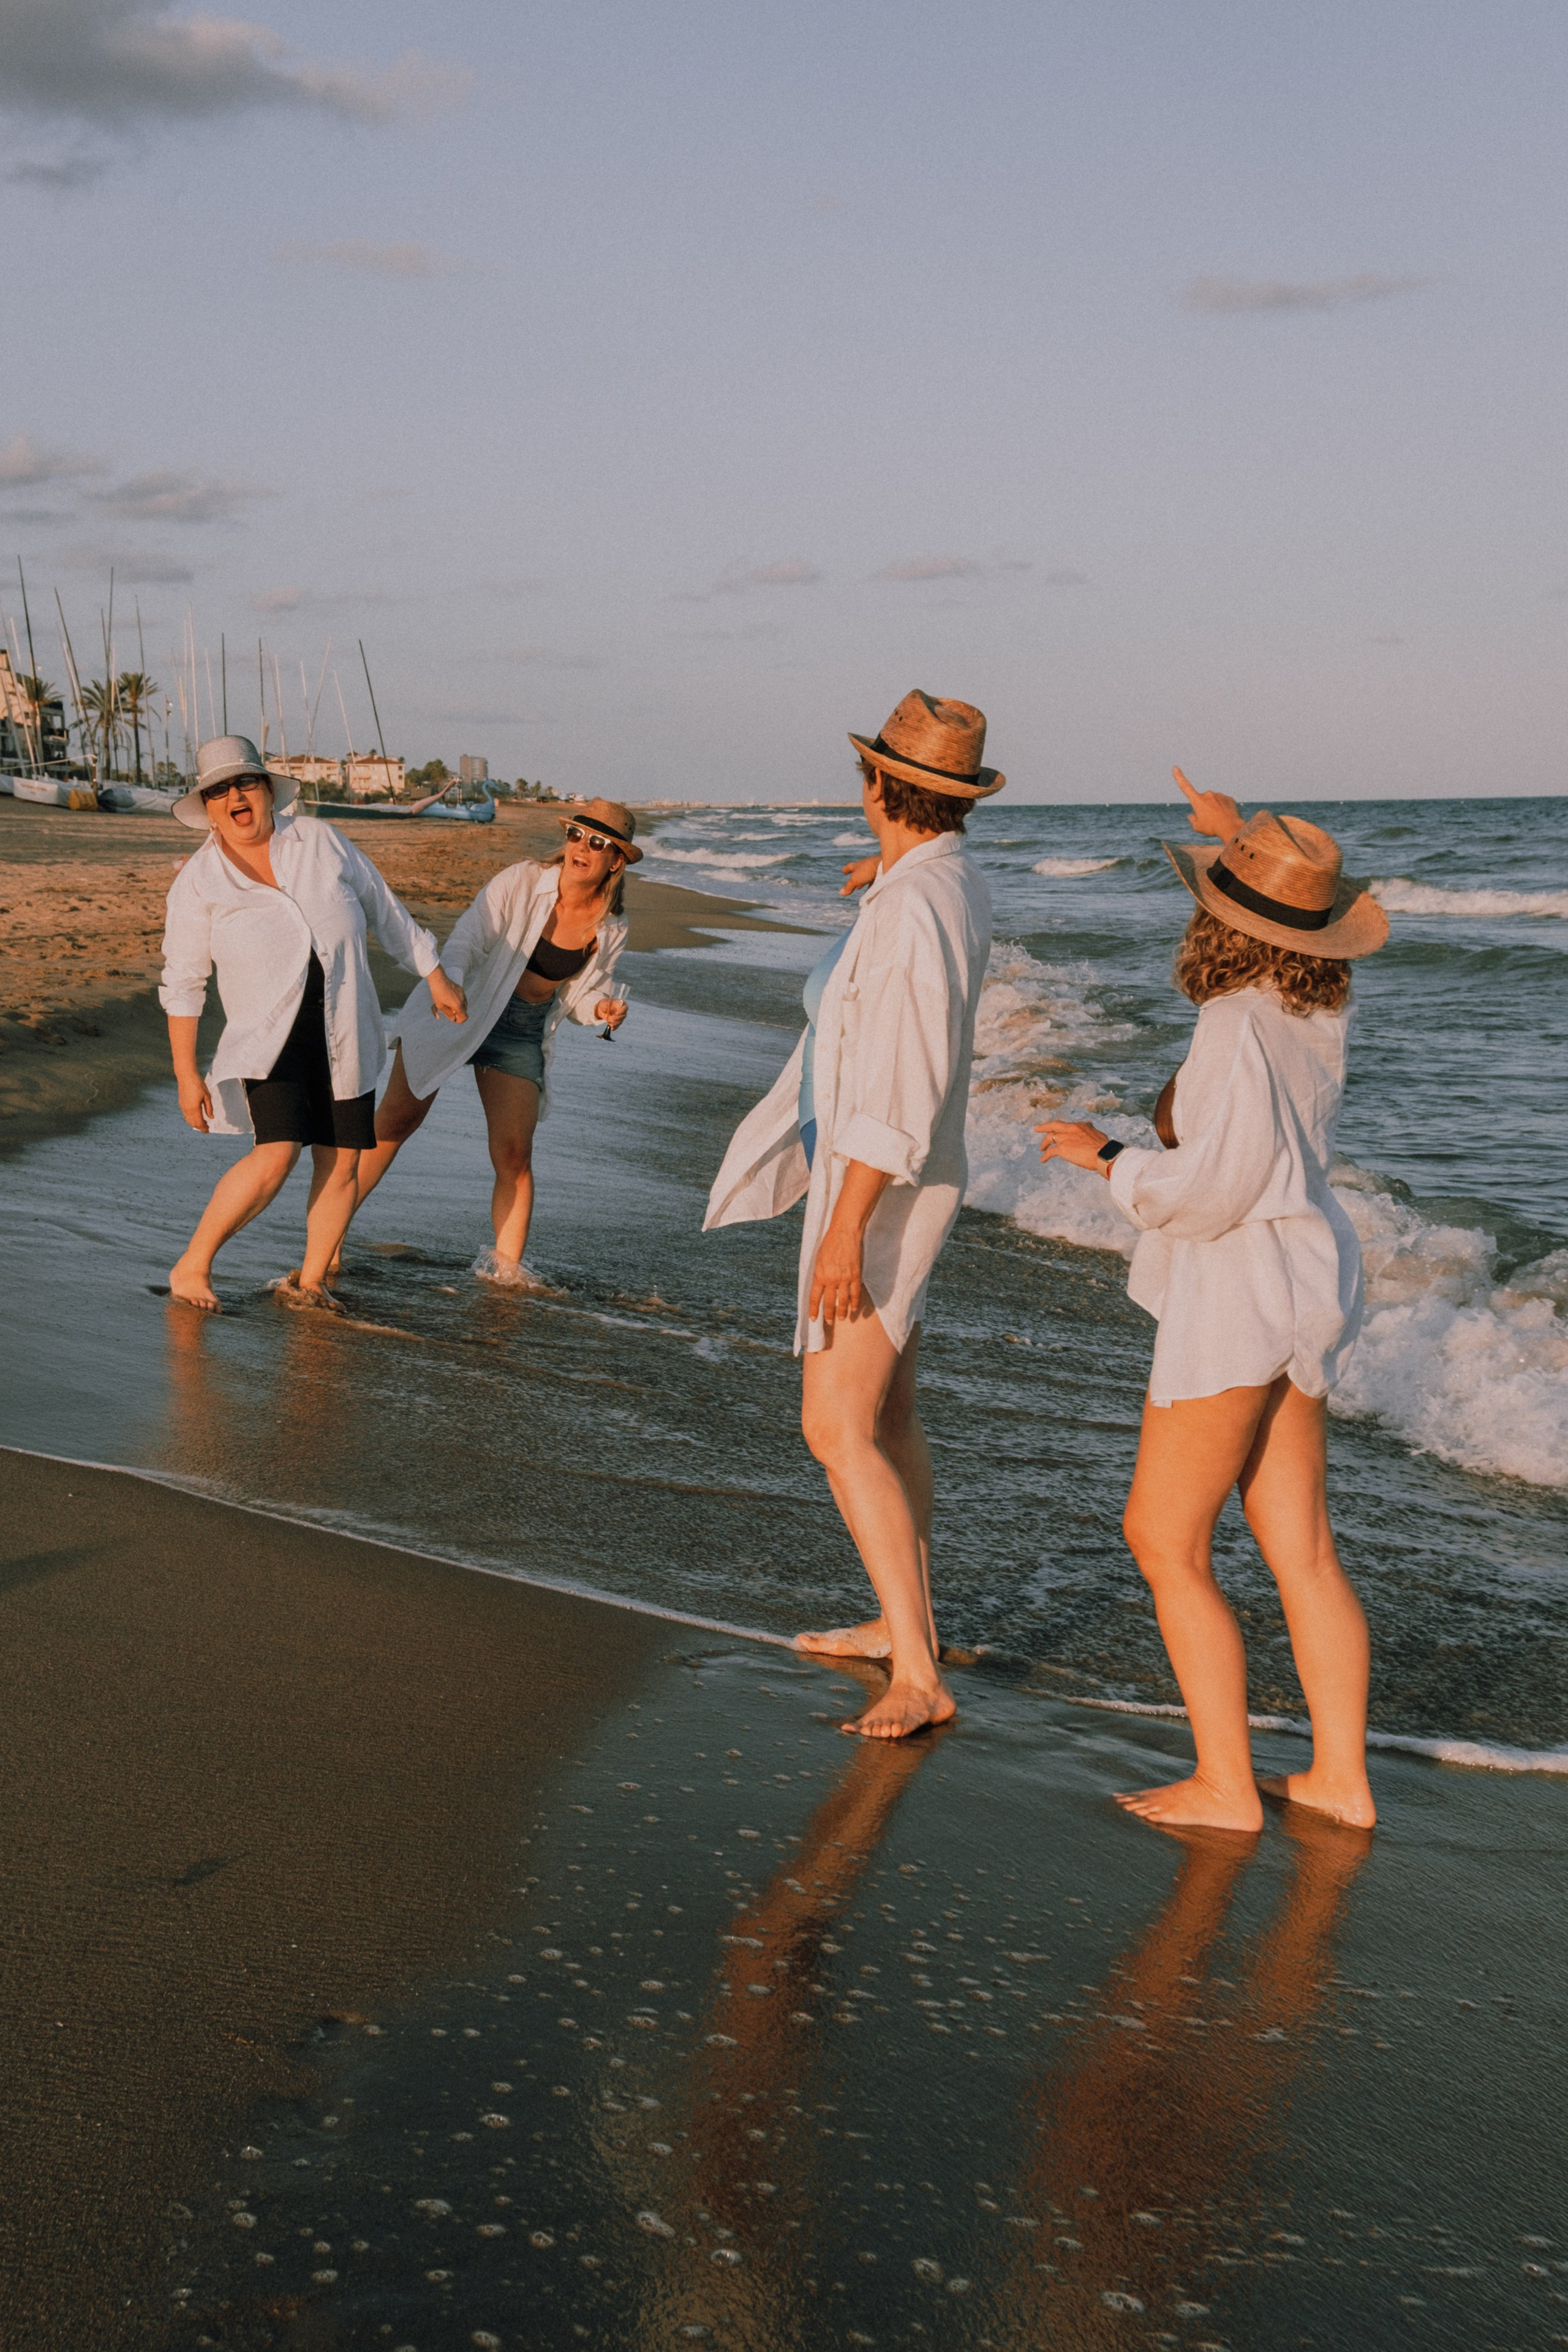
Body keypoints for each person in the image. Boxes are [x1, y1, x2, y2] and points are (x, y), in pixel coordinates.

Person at [1038, 768, 1389, 1831]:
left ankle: (1227, 1786)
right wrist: (1235, 833)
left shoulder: (1236, 1023)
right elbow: (1276, 918)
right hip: (1309, 1278)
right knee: (1302, 1547)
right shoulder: (1313, 1007)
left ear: (1219, 923)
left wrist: (1110, 1158)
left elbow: (1216, 1187)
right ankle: (1339, 1781)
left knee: (1162, 1537)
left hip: (1241, 1292)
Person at [705, 692, 1003, 1741]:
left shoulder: (918, 906)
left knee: (833, 1425)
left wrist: (845, 1229)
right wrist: (883, 874)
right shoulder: (938, 882)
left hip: (880, 1187)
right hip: (894, 1176)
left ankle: (918, 1674)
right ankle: (899, 1620)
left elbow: (902, 1079)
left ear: (877, 782)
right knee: (888, 1416)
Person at [159, 735, 466, 1312]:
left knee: (342, 1159)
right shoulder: (199, 882)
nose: (235, 796)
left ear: (267, 790)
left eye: (245, 782)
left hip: (346, 1027)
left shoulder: (321, 842)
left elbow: (385, 909)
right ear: (207, 808)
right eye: (219, 791)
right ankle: (193, 1265)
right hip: (269, 1039)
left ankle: (312, 1281)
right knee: (276, 1153)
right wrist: (185, 1073)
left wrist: (435, 975)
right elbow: (182, 980)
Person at [343, 797, 633, 1281]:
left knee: (515, 1155)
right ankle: (328, 1237)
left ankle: (506, 1276)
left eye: (598, 842)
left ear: (616, 861)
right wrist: (450, 983)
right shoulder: (521, 881)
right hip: (461, 1005)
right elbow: (468, 939)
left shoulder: (612, 927)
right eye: (576, 835)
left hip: (522, 1031)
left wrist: (601, 1010)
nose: (582, 847)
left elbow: (585, 994)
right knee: (395, 1123)